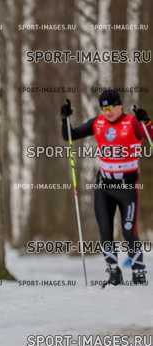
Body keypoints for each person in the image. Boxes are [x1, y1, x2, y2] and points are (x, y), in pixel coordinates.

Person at [61, 89, 151, 285]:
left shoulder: (132, 122)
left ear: (120, 106)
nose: (107, 112)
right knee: (105, 231)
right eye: (104, 109)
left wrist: (146, 121)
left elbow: (151, 137)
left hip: (127, 187)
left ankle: (138, 271)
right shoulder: (98, 122)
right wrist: (65, 118)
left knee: (129, 231)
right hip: (104, 187)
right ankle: (113, 271)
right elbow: (69, 136)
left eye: (111, 108)